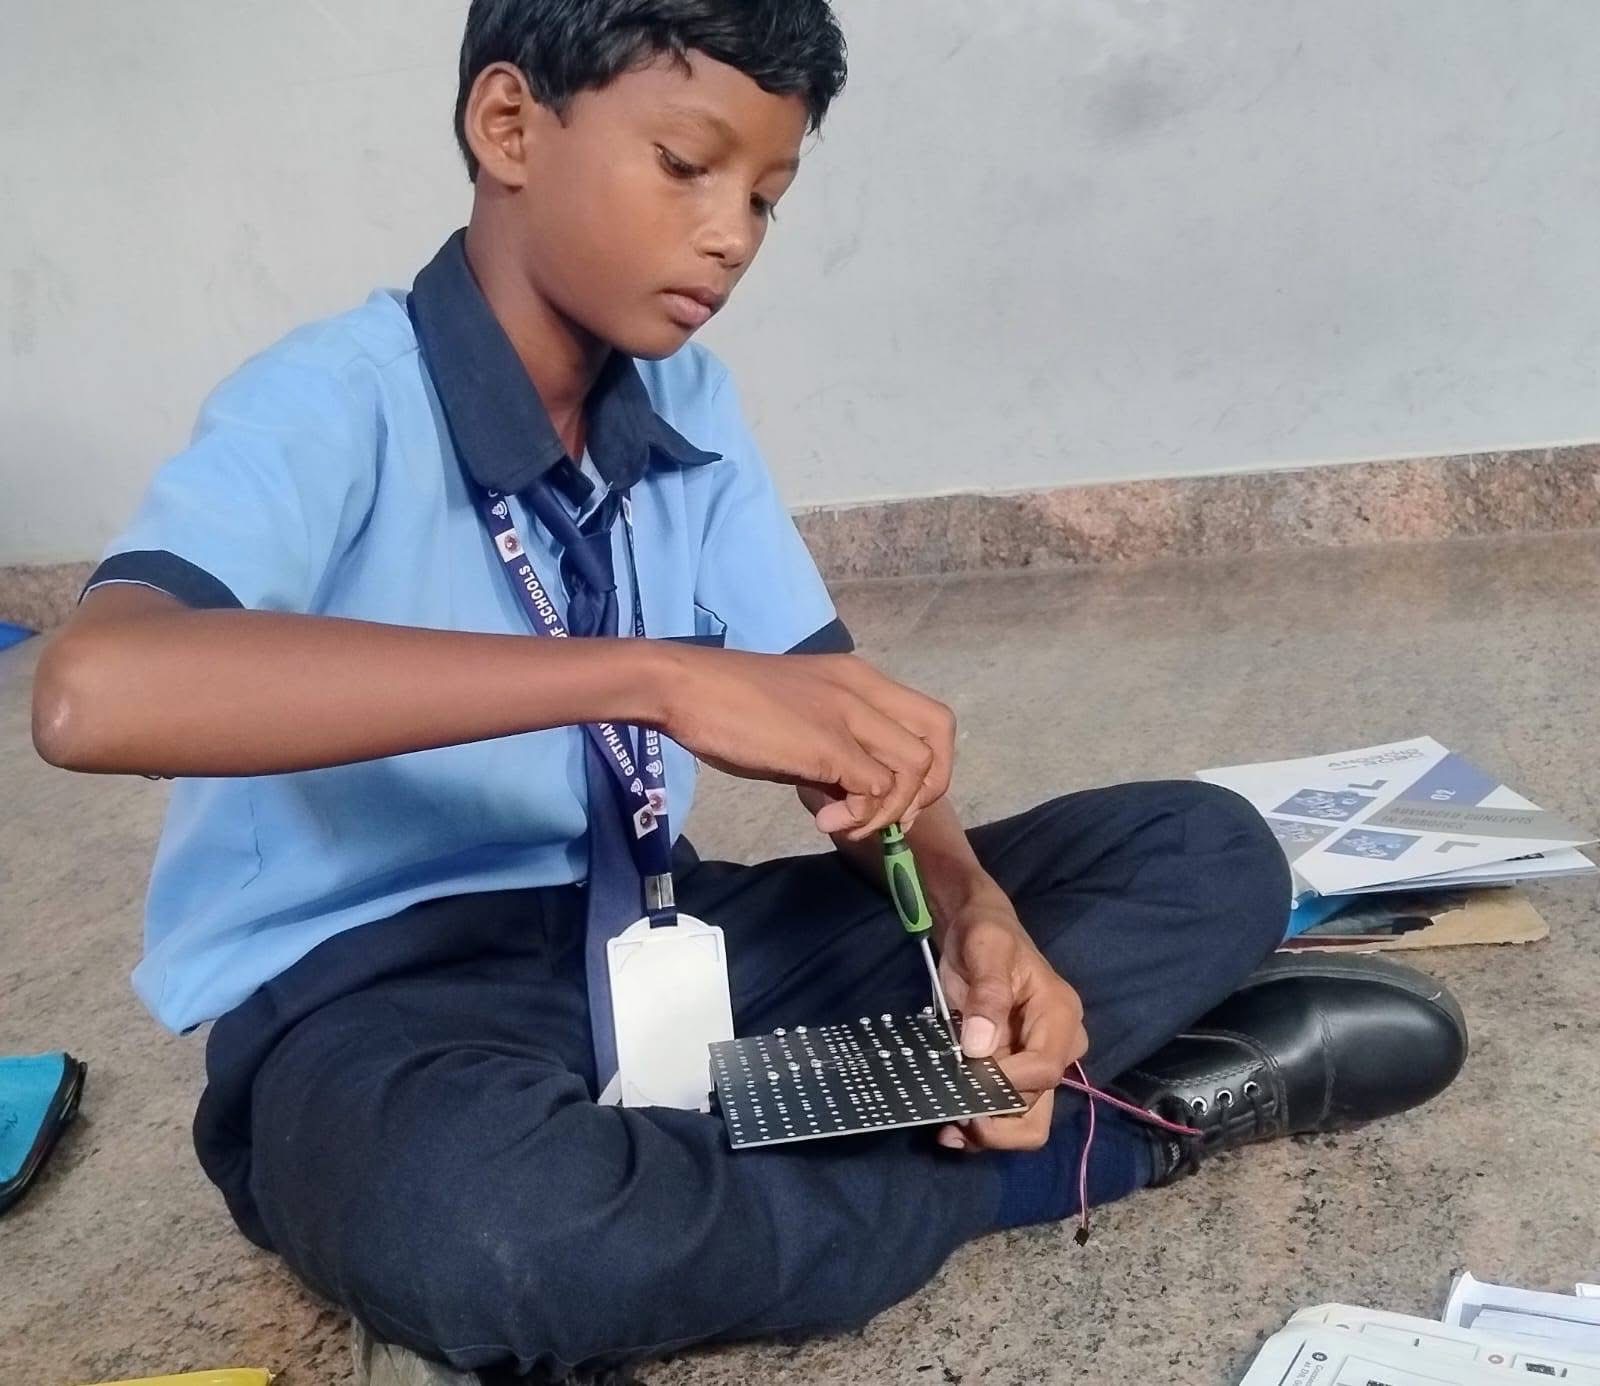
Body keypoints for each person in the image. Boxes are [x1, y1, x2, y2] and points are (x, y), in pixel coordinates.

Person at [32, 3, 1468, 1382]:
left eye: (767, 199)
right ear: (509, 124)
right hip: (377, 1006)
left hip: (656, 940)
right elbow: (94, 692)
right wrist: (653, 677)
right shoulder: (331, 398)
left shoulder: (687, 404)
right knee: (499, 1231)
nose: (731, 234)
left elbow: (839, 718)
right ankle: (1109, 1138)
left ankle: (755, 1174)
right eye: (685, 165)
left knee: (1205, 852)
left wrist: (973, 913)